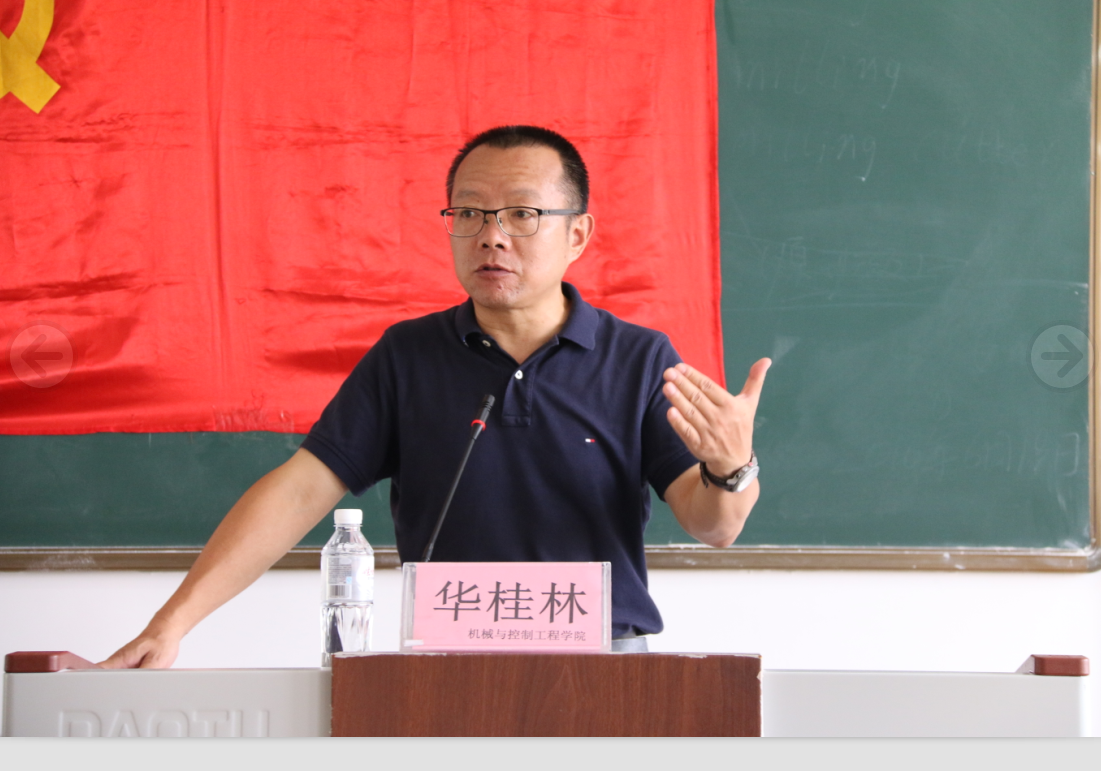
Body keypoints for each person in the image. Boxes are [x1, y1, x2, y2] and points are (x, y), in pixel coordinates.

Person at [101, 125, 770, 667]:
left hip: (602, 662)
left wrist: (730, 466)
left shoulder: (638, 358)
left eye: (522, 214)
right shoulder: (407, 356)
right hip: (445, 664)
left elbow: (714, 525)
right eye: (470, 213)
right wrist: (171, 624)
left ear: (577, 235)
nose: (491, 235)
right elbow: (299, 492)